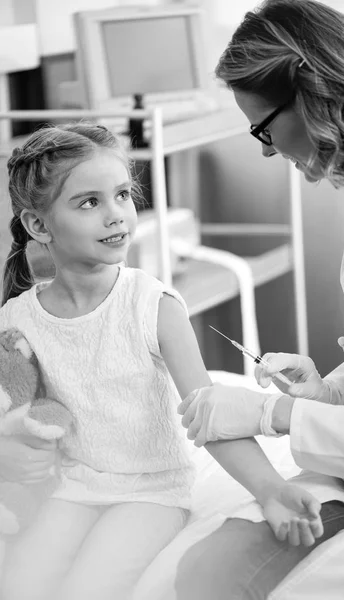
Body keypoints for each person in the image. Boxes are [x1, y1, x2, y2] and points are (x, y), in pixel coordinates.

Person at [0, 122, 324, 600]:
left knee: (87, 590)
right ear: (38, 225)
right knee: (19, 583)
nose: (118, 215)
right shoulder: (18, 317)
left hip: (151, 493)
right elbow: (15, 408)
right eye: (90, 202)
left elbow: (208, 412)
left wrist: (271, 490)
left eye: (123, 195)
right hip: (73, 487)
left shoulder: (152, 304)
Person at [175, 0, 344, 598]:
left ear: (310, 94)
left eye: (264, 129)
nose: (268, 150)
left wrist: (271, 415)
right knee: (206, 574)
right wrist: (336, 387)